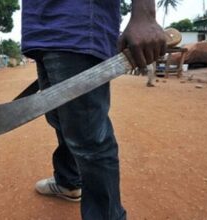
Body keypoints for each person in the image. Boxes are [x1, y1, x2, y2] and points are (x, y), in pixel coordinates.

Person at [21, 1, 166, 219]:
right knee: (60, 119)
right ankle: (68, 181)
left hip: (77, 24)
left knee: (89, 139)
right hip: (42, 32)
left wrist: (144, 14)